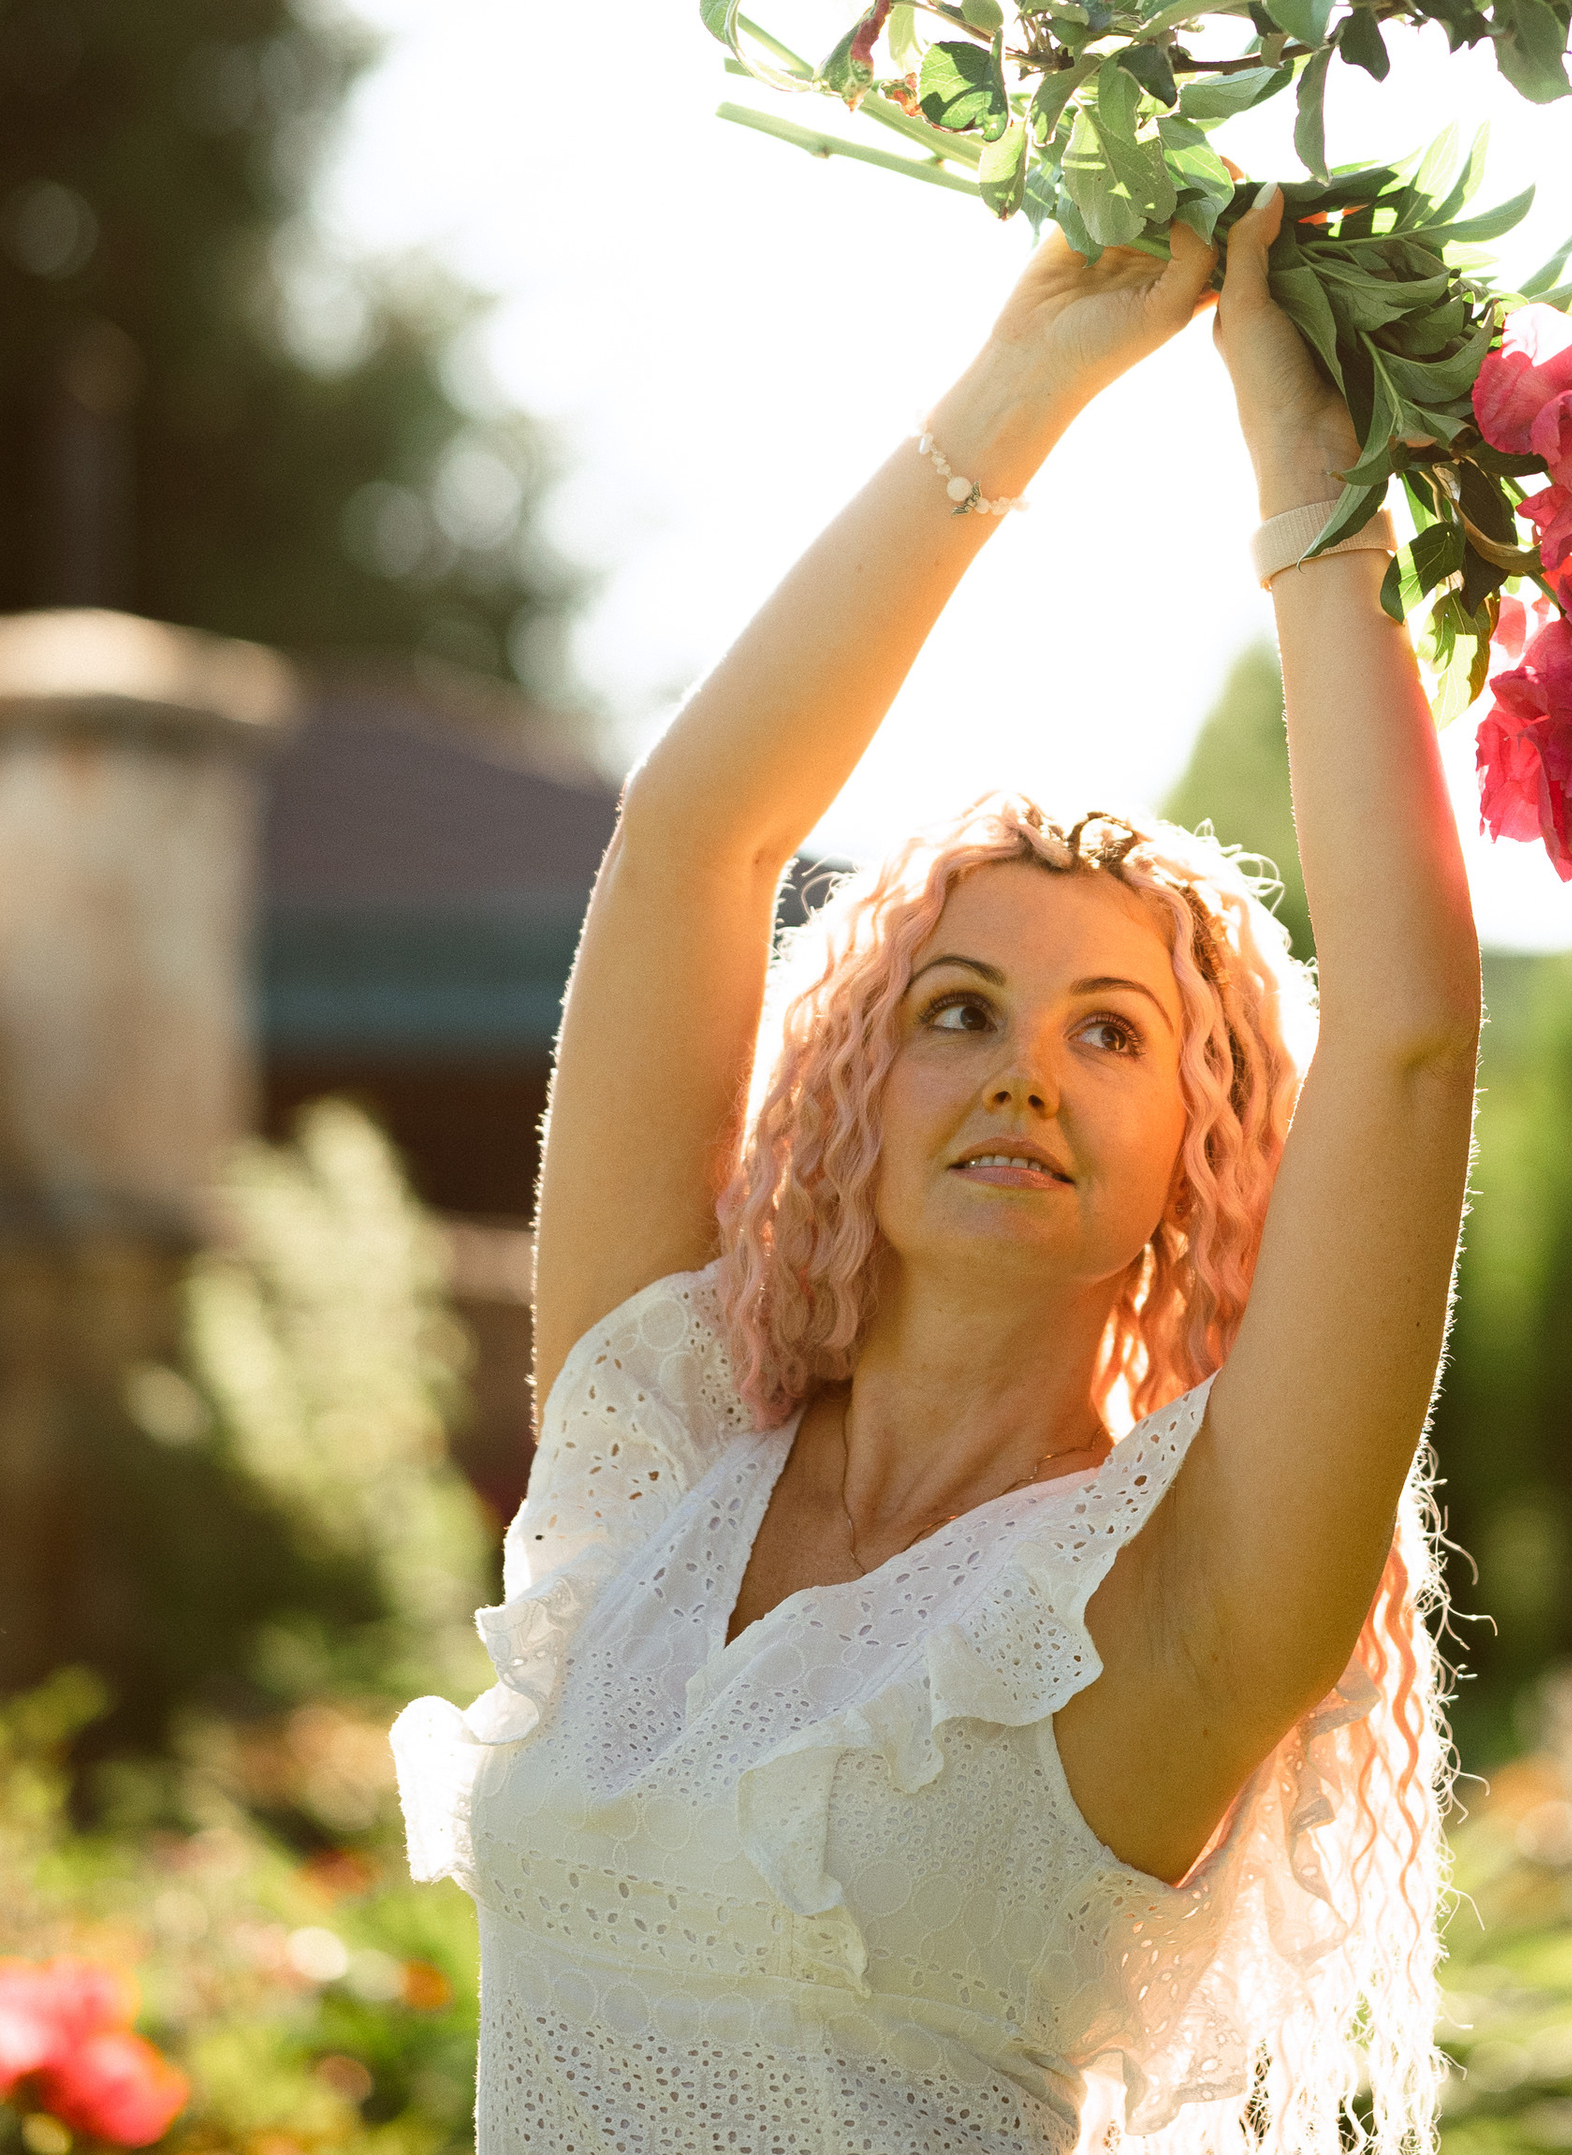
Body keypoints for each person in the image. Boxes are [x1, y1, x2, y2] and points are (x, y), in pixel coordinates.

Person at [394, 185, 1481, 2155]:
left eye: (1113, 1033)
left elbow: (1406, 1041)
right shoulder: (653, 1448)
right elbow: (690, 846)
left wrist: (1308, 482)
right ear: (851, 1095)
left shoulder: (1175, 1594)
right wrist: (1022, 379)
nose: (1023, 1080)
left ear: (1201, 1150)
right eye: (958, 1011)